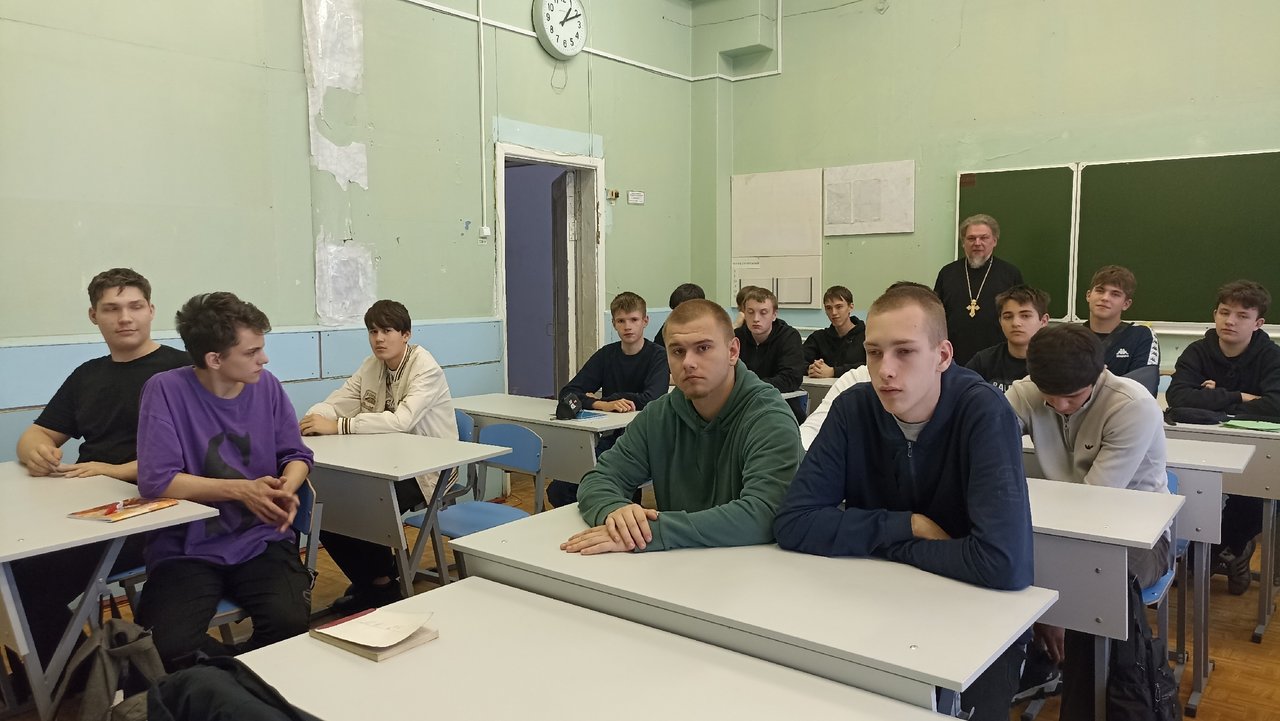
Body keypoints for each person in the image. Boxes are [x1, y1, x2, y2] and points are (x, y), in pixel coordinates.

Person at [773, 283, 1033, 721]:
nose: (885, 371)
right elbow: (794, 523)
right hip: (876, 606)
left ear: (943, 356)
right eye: (874, 353)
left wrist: (883, 543)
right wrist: (908, 525)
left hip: (976, 619)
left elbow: (1003, 564)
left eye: (905, 352)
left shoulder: (984, 412)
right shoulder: (854, 409)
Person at [10, 268, 189, 679]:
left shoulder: (182, 371)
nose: (124, 318)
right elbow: (39, 433)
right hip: (86, 506)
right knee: (13, 570)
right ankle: (67, 671)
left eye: (134, 306)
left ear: (151, 310)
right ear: (94, 316)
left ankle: (72, 676)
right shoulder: (87, 375)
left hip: (155, 510)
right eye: (111, 309)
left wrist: (115, 470)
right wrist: (35, 451)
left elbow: (191, 455)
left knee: (26, 580)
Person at [135, 292, 313, 669]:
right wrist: (242, 490)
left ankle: (235, 681)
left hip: (259, 538)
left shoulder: (267, 386)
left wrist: (287, 486)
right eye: (252, 352)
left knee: (289, 624)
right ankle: (237, 678)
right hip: (185, 548)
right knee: (166, 647)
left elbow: (296, 455)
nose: (264, 359)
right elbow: (157, 481)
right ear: (214, 359)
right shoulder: (165, 390)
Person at [1005, 324, 1171, 714]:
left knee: (1096, 588)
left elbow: (1092, 505)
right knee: (993, 559)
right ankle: (1025, 669)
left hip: (1136, 537)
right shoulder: (1026, 392)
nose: (1061, 406)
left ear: (1098, 375)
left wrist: (1054, 602)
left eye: (1073, 397)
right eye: (1050, 397)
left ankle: (1086, 705)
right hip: (1061, 528)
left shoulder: (1132, 405)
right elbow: (985, 451)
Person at [561, 299, 801, 555]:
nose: (688, 362)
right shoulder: (658, 416)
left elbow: (763, 513)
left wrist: (653, 532)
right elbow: (599, 479)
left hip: (754, 568)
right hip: (674, 565)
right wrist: (617, 514)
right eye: (677, 351)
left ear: (732, 351)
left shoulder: (769, 418)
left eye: (703, 348)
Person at [298, 299, 458, 612]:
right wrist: (311, 420)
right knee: (327, 507)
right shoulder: (371, 365)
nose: (379, 339)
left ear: (406, 335)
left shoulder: (426, 368)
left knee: (365, 505)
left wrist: (338, 425)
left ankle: (380, 583)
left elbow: (401, 421)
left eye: (387, 331)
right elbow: (338, 401)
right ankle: (376, 580)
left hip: (427, 470)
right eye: (373, 332)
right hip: (385, 462)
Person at [1167, 279, 1280, 594]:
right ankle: (1222, 553)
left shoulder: (1271, 356)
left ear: (1258, 323)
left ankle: (1230, 550)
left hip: (1256, 450)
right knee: (1188, 485)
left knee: (1254, 496)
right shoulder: (1198, 351)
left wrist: (1213, 397)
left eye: (1242, 316)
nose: (1230, 321)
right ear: (1214, 315)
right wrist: (1241, 396)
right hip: (1202, 444)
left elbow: (1276, 405)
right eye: (1224, 312)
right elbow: (1178, 397)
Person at [546, 292, 668, 508]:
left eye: (634, 320)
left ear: (645, 321)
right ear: (613, 324)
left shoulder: (658, 356)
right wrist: (602, 404)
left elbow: (651, 398)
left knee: (610, 489)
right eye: (621, 321)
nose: (627, 327)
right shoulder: (606, 355)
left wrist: (609, 398)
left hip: (644, 440)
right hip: (609, 437)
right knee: (559, 490)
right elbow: (568, 393)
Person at [933, 214, 1024, 365]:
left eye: (984, 238)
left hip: (996, 358)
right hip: (953, 356)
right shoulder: (947, 273)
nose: (977, 243)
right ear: (963, 243)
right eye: (971, 238)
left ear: (994, 241)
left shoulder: (1010, 274)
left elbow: (1019, 314)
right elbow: (936, 314)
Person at [1082, 265, 1159, 396]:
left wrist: (1092, 381)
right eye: (1100, 291)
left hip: (1124, 408)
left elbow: (1142, 388)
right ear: (1088, 296)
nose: (1105, 298)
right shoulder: (1069, 337)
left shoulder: (1142, 336)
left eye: (1115, 294)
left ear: (1126, 304)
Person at [734, 286, 807, 421]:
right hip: (741, 407)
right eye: (750, 312)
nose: (756, 319)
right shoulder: (736, 337)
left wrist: (748, 387)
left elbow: (790, 378)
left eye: (763, 313)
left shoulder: (789, 336)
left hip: (781, 407)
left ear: (774, 315)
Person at [965, 285, 1050, 391]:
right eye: (1008, 317)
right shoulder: (983, 362)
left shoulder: (1056, 362)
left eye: (1025, 316)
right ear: (1000, 321)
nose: (1015, 323)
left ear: (1043, 321)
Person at [803, 285, 867, 378]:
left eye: (839, 307)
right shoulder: (818, 338)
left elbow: (871, 366)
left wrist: (833, 372)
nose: (834, 313)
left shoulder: (867, 336)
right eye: (829, 308)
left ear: (850, 307)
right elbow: (796, 361)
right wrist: (811, 368)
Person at [652, 282, 705, 347]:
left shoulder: (709, 326)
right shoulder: (670, 325)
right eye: (675, 310)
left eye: (683, 310)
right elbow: (657, 347)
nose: (678, 314)